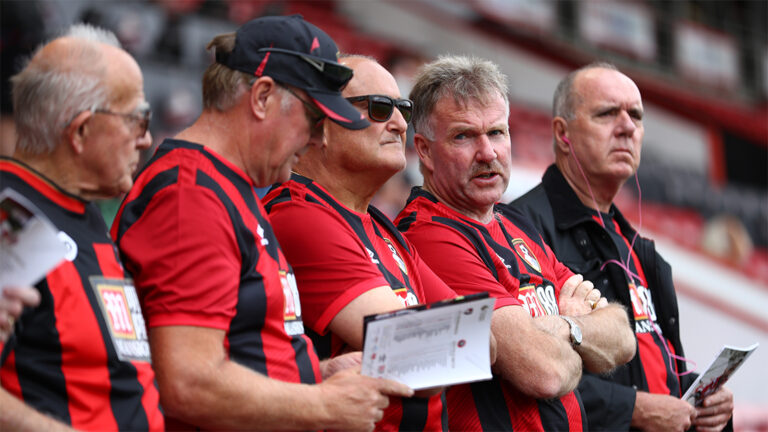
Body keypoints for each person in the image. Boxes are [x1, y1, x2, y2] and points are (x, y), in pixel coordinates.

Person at [111, 16, 412, 431]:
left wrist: (316, 374)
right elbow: (188, 381)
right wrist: (321, 404)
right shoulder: (192, 195)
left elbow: (242, 350)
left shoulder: (228, 186)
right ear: (263, 97)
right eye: (313, 117)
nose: (315, 139)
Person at [394, 55, 637, 431]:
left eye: (496, 133)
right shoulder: (428, 234)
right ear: (424, 150)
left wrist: (562, 328)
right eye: (464, 136)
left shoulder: (513, 223)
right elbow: (543, 372)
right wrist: (579, 328)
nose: (487, 153)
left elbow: (622, 336)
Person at [512, 62, 734, 431]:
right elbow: (527, 370)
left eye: (636, 115)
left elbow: (658, 365)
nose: (627, 126)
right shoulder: (522, 229)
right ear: (562, 133)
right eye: (607, 113)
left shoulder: (638, 248)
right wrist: (633, 410)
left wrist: (704, 400)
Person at [263, 55, 463, 431]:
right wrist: (445, 344)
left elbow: (484, 342)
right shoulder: (299, 217)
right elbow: (424, 358)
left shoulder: (381, 228)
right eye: (378, 108)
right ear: (319, 127)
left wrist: (445, 347)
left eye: (403, 109)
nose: (401, 124)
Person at [0, 24, 163, 430]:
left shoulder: (81, 207)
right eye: (139, 120)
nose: (145, 140)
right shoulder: (10, 218)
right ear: (81, 131)